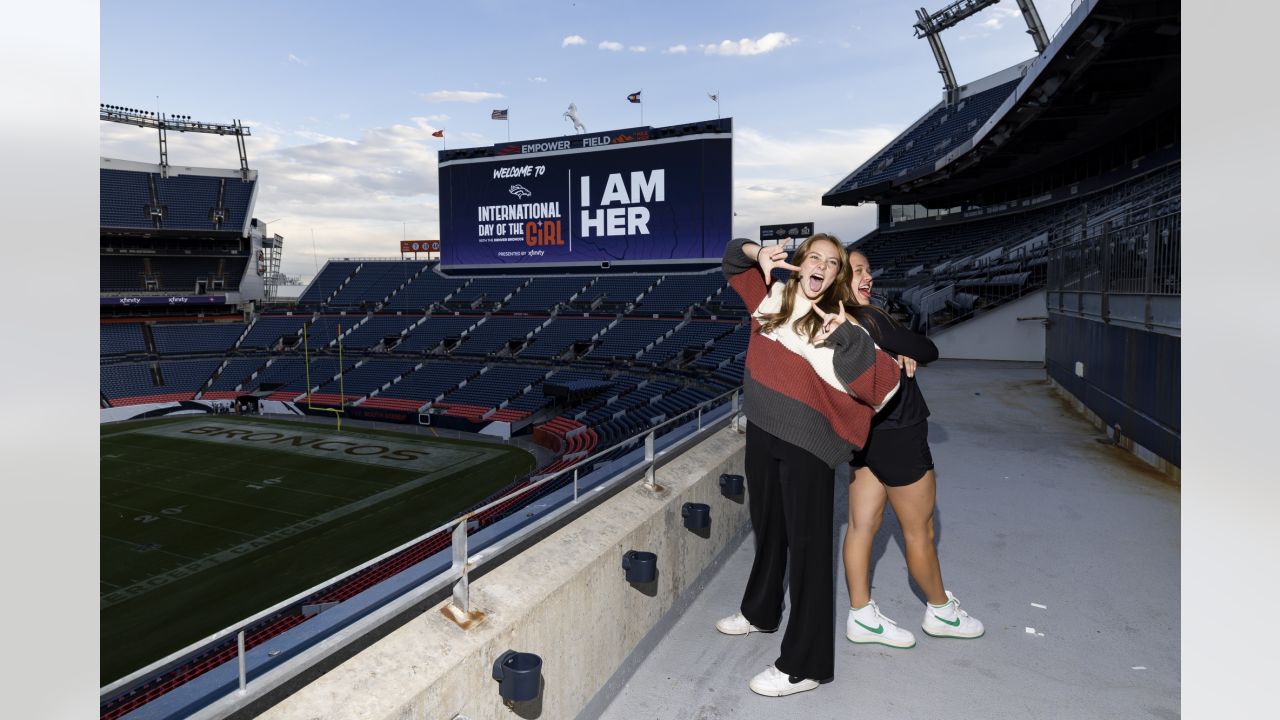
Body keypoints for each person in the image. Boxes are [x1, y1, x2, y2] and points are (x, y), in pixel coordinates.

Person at [715, 235, 902, 697]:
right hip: (762, 430)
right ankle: (761, 612)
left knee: (809, 555)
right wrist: (758, 253)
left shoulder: (846, 326)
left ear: (837, 275)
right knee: (768, 529)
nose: (821, 266)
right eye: (814, 257)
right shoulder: (771, 295)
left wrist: (844, 340)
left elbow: (885, 384)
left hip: (808, 448)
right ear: (800, 264)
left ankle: (807, 663)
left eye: (831, 263)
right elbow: (730, 259)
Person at [834, 250, 985, 648]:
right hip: (900, 434)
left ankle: (861, 615)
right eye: (858, 271)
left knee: (861, 526)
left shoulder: (834, 320)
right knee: (920, 530)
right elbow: (929, 350)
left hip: (865, 435)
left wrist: (896, 348)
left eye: (869, 268)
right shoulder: (871, 318)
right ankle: (940, 611)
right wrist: (905, 346)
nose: (868, 276)